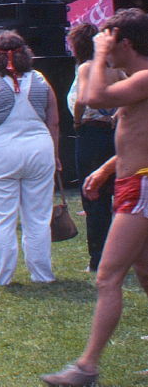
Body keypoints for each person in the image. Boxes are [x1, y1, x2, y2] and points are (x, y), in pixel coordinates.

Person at [44, 9, 148, 387]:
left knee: (107, 276)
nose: (103, 43)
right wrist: (106, 170)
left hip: (141, 188)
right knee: (146, 275)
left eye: (109, 37)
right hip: (131, 184)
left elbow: (93, 97)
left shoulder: (146, 78)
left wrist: (97, 56)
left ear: (125, 42)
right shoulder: (138, 80)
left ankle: (86, 367)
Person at [0, 30, 59, 286]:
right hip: (39, 150)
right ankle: (42, 274)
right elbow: (54, 122)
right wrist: (55, 154)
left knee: (1, 218)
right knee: (39, 217)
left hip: (0, 152)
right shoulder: (42, 80)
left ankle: (1, 275)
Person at [67, 22, 118, 272]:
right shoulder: (113, 69)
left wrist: (77, 121)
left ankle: (98, 258)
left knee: (93, 196)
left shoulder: (87, 68)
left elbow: (83, 99)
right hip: (110, 133)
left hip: (89, 132)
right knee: (110, 195)